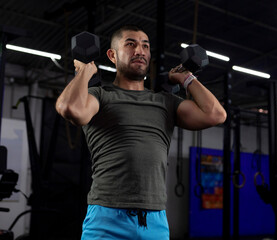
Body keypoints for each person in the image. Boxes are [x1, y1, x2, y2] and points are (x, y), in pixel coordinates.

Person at [56, 24, 226, 240]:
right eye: (130, 44)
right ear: (112, 55)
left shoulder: (165, 102)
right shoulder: (99, 96)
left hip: (155, 220)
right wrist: (84, 70)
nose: (140, 51)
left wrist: (186, 78)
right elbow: (70, 109)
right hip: (107, 218)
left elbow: (216, 115)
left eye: (145, 46)